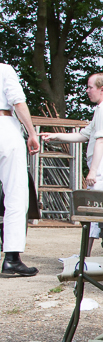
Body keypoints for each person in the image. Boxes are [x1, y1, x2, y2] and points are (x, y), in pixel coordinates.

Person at [42, 73, 103, 251]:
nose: (87, 91)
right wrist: (55, 136)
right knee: (92, 211)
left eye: (90, 87)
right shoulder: (101, 109)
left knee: (94, 210)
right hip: (102, 164)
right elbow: (83, 135)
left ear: (102, 89)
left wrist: (92, 171)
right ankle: (85, 255)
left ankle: (85, 256)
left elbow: (101, 141)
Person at [0, 62, 40, 277]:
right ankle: (11, 259)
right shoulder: (4, 70)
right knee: (15, 193)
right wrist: (32, 133)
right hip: (4, 126)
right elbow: (17, 102)